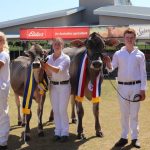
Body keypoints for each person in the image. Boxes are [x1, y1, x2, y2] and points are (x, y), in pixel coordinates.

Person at [104, 28, 147, 148]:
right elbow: (112, 68)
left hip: (136, 87)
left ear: (135, 39)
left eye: (131, 37)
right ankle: (124, 137)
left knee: (134, 114)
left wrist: (143, 89)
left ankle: (135, 138)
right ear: (124, 39)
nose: (129, 39)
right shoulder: (118, 54)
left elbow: (143, 73)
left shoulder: (140, 54)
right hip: (122, 87)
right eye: (127, 37)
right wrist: (108, 63)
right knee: (124, 114)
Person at [42, 37, 71, 142]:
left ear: (62, 46)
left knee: (62, 110)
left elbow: (58, 70)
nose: (57, 46)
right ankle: (57, 132)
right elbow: (47, 72)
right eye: (55, 44)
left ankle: (65, 133)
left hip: (64, 86)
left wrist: (46, 66)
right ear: (52, 46)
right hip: (53, 86)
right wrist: (43, 67)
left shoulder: (66, 58)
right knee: (55, 110)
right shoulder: (48, 57)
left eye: (59, 44)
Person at [0, 32, 10, 150]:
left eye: (0, 40)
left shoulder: (4, 54)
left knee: (3, 113)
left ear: (3, 42)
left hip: (1, 89)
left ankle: (3, 142)